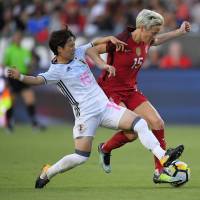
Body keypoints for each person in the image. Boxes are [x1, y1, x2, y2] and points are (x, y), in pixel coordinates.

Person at [7, 27, 184, 189]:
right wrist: (20, 76)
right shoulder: (55, 71)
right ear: (59, 49)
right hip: (86, 116)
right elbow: (37, 80)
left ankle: (163, 157)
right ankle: (48, 172)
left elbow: (94, 44)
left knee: (140, 124)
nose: (74, 47)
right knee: (80, 157)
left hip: (106, 107)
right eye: (70, 45)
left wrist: (109, 40)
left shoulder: (77, 52)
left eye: (74, 43)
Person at [96, 9, 191, 183]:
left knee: (157, 123)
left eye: (157, 32)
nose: (154, 36)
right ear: (141, 27)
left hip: (131, 90)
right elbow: (92, 50)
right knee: (132, 133)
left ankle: (159, 172)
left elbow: (157, 41)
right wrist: (103, 65)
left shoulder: (148, 39)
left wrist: (179, 31)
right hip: (111, 91)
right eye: (152, 32)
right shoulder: (121, 41)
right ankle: (105, 148)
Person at [3, 31, 44, 132]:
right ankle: (8, 124)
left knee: (30, 99)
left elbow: (30, 65)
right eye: (16, 37)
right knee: (10, 102)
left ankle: (34, 124)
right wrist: (6, 78)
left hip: (23, 77)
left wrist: (33, 64)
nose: (18, 39)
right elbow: (4, 65)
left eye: (19, 37)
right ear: (13, 38)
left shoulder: (25, 51)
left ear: (21, 39)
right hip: (12, 78)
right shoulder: (9, 50)